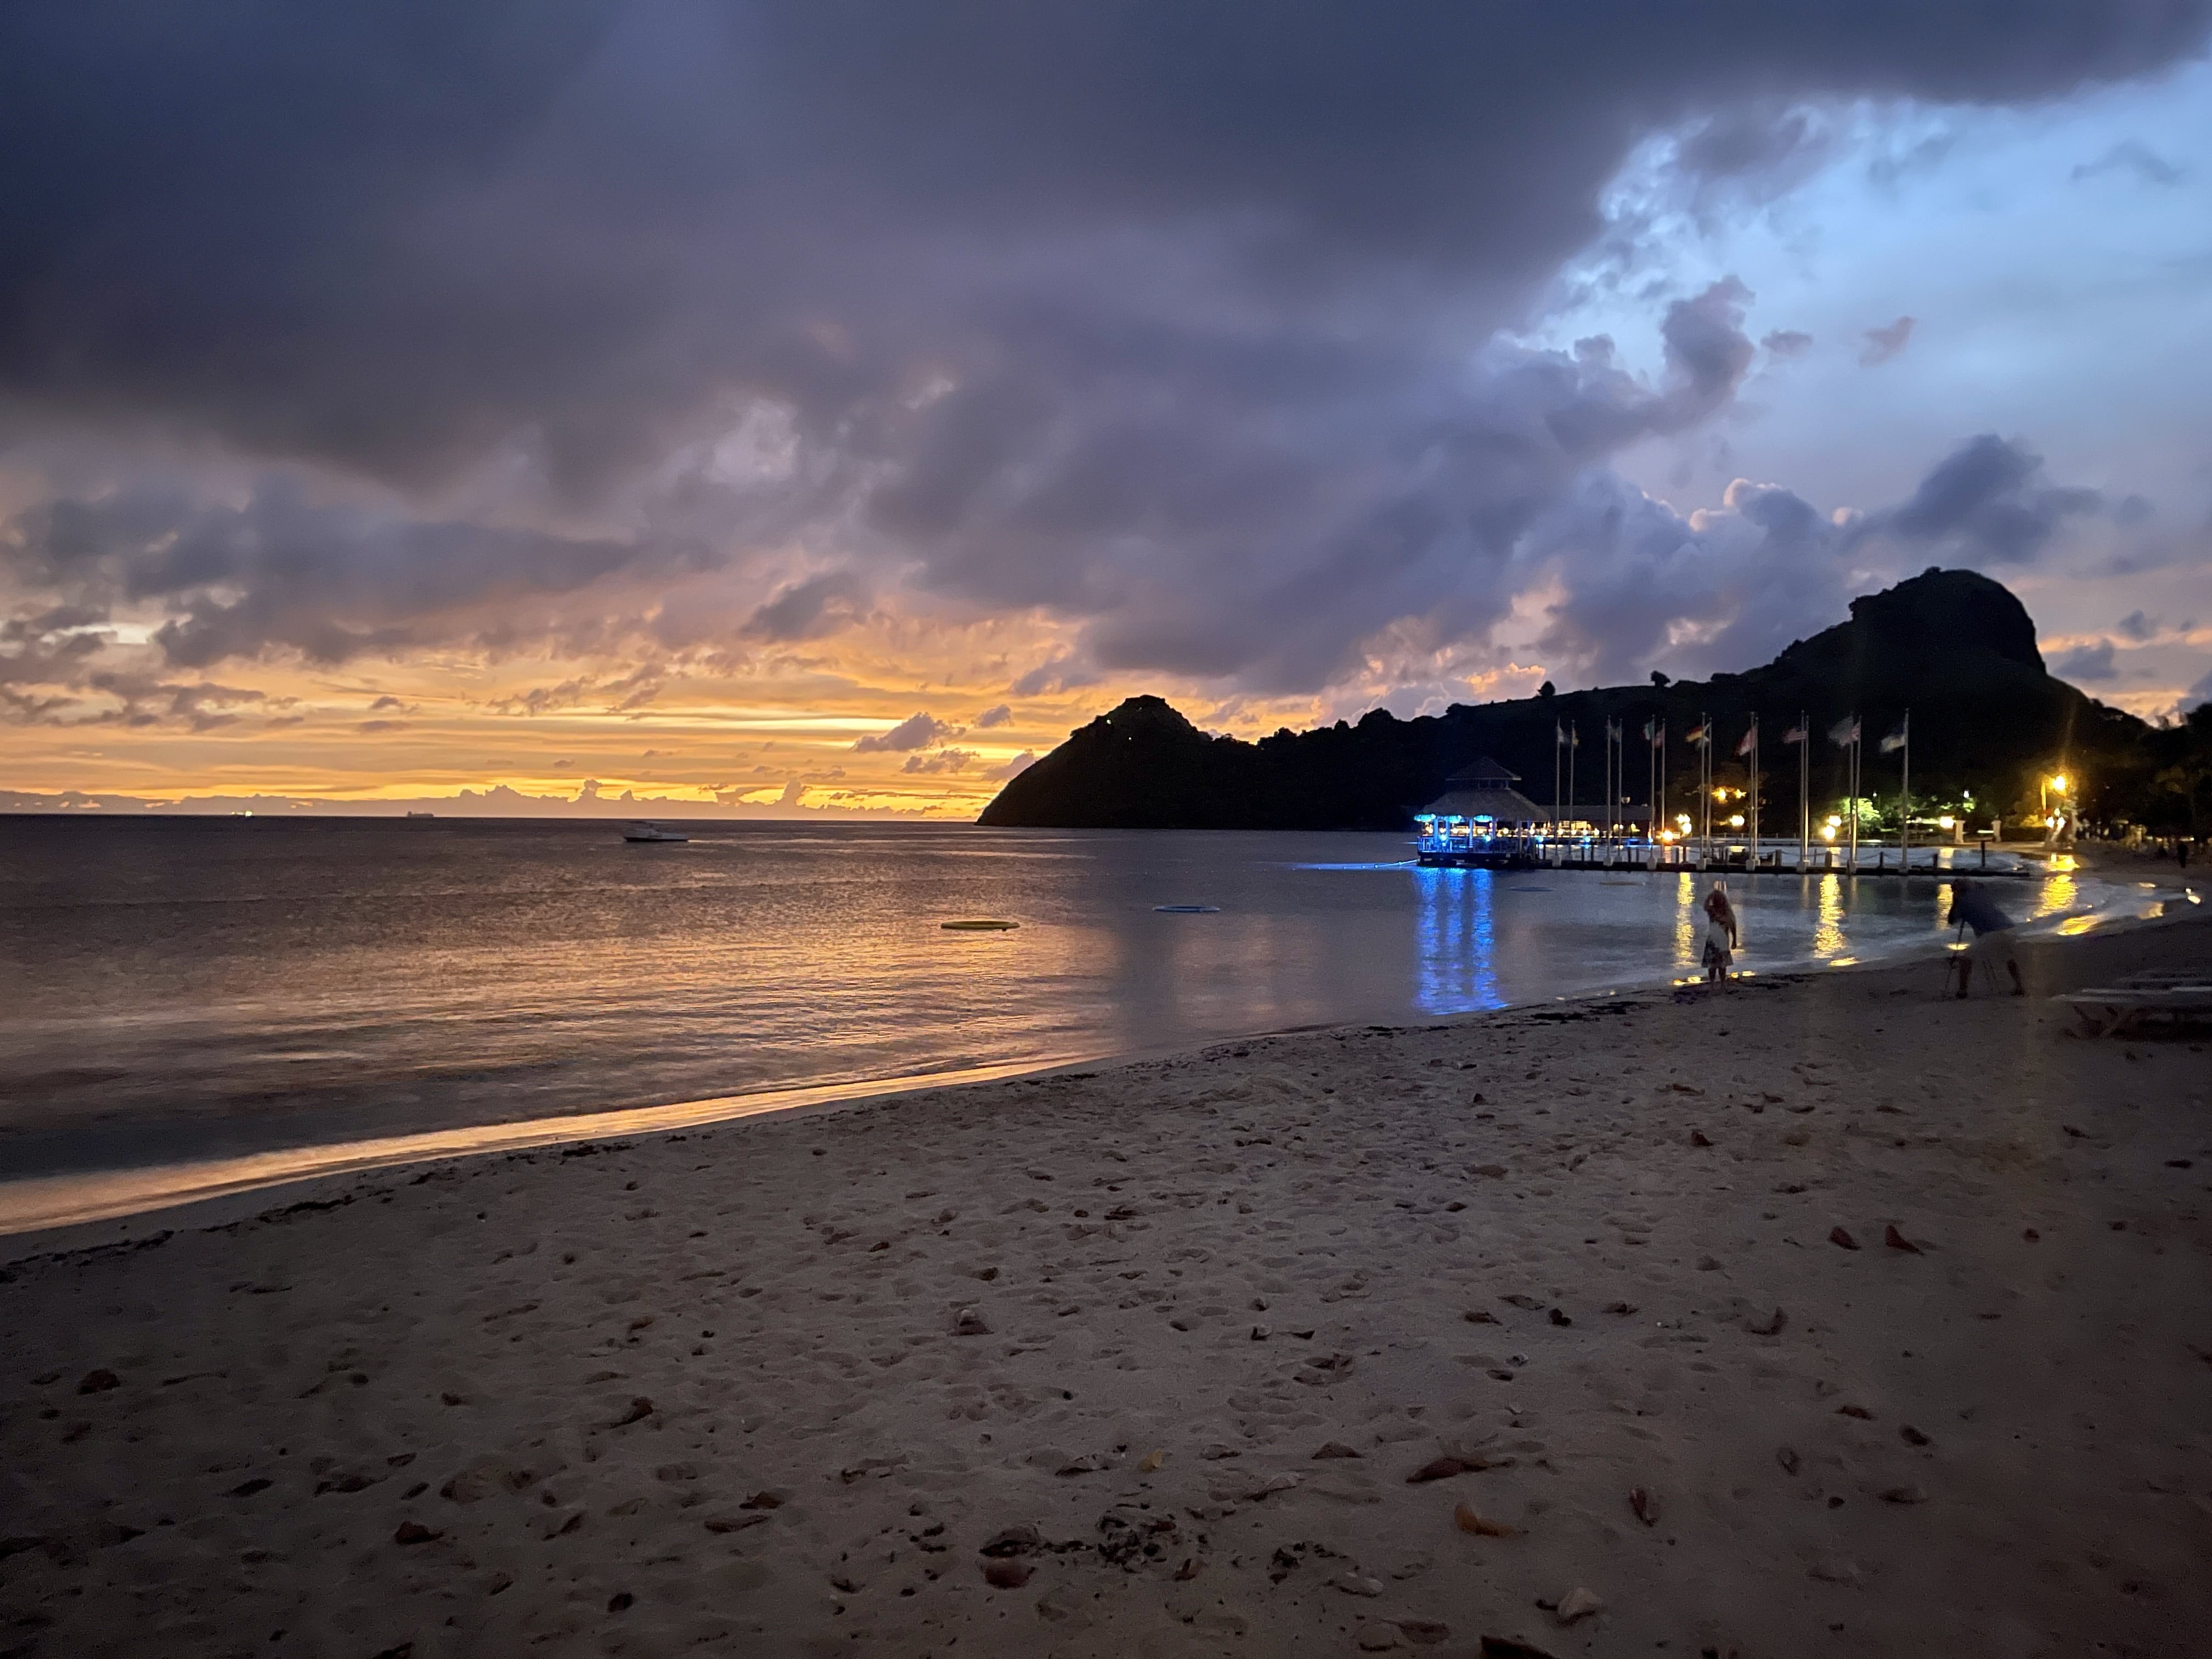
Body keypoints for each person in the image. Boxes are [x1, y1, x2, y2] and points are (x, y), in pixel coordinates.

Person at [1946, 878, 2023, 997]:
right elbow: (1981, 885)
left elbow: (1951, 920)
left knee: (1966, 957)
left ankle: (1962, 991)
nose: (1953, 892)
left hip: (1995, 933)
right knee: (2008, 956)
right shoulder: (1980, 892)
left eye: (1953, 890)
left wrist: (1955, 902)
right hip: (2010, 929)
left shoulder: (1963, 902)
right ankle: (2020, 986)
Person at [1701, 879, 1738, 984]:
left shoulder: (1727, 913)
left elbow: (1732, 927)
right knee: (1712, 965)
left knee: (1722, 965)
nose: (1717, 901)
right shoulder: (1712, 911)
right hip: (1713, 940)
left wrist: (1734, 940)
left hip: (1722, 940)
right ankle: (1713, 983)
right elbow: (1705, 906)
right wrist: (1711, 895)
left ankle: (1722, 983)